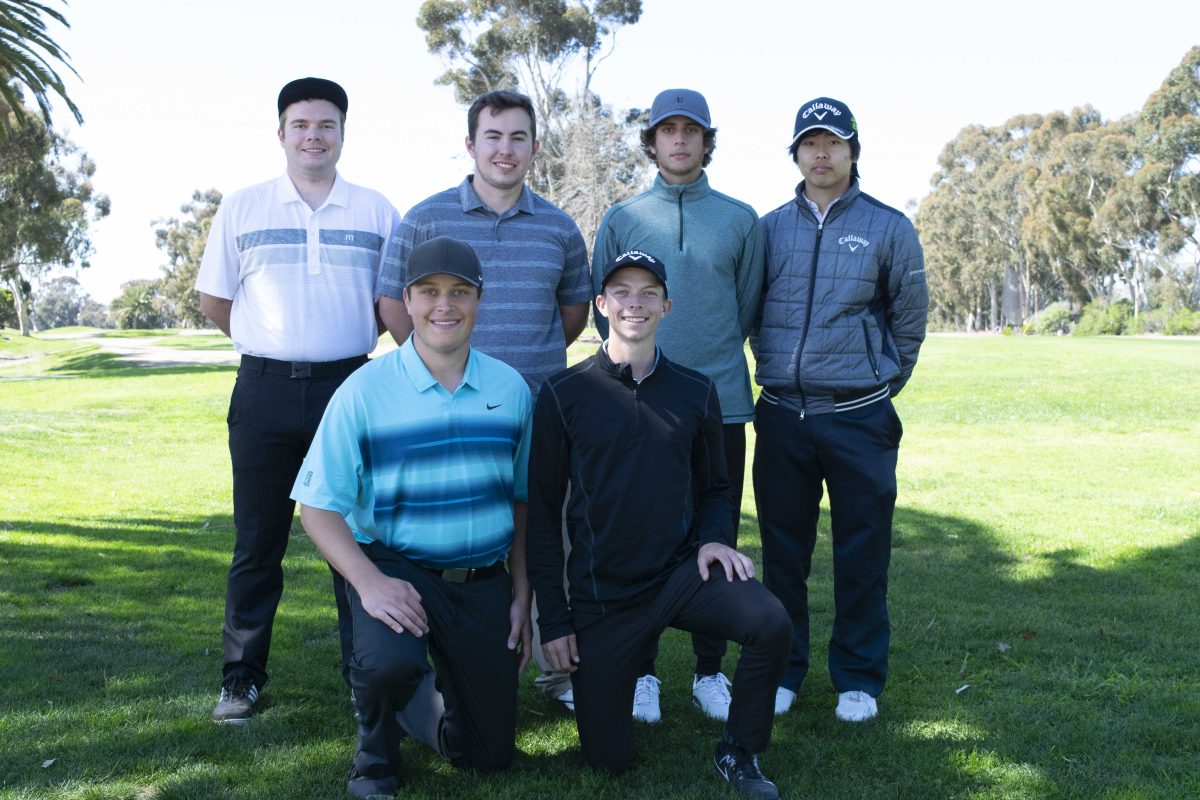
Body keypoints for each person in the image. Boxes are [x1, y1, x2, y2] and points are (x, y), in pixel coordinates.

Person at [528, 250, 791, 799]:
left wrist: (715, 538)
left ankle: (738, 750)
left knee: (770, 622)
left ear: (666, 307)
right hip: (604, 597)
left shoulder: (695, 391)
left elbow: (716, 486)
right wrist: (554, 620)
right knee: (608, 761)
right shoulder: (563, 392)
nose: (635, 303)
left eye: (648, 292)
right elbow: (544, 510)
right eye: (622, 291)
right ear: (601, 305)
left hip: (680, 576)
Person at [292, 236, 533, 799]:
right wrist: (370, 584)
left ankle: (418, 698)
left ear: (479, 300)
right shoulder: (365, 390)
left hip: (480, 580)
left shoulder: (511, 388)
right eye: (429, 292)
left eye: (459, 292)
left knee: (487, 757)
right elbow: (317, 506)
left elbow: (523, 501)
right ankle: (374, 757)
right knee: (383, 664)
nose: (443, 305)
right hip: (398, 568)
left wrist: (523, 592)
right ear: (407, 299)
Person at [377, 88, 591, 711]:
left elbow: (571, 314)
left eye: (518, 137)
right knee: (455, 538)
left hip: (538, 415)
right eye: (493, 137)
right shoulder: (424, 217)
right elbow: (395, 304)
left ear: (534, 146)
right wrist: (442, 368)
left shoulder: (558, 227)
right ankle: (434, 664)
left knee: (551, 541)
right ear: (470, 144)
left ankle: (559, 671)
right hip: (450, 417)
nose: (506, 149)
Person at [196, 77, 401, 724]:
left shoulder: (375, 211)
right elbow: (215, 302)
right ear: (281, 132)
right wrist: (275, 349)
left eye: (326, 125)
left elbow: (389, 303)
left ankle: (363, 673)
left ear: (343, 132)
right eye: (301, 124)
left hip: (350, 389)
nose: (314, 135)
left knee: (357, 539)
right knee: (259, 543)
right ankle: (241, 677)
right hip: (262, 392)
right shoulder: (244, 206)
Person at [753, 97, 928, 723]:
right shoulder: (768, 228)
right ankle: (783, 669)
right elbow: (752, 312)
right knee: (783, 553)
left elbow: (908, 324)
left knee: (862, 551)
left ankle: (857, 676)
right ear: (795, 153)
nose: (821, 153)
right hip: (781, 414)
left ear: (854, 150)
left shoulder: (889, 226)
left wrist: (874, 385)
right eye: (809, 142)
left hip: (860, 417)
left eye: (834, 142)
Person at [592, 88, 764, 723]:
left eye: (692, 130)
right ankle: (641, 671)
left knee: (714, 531)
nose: (680, 140)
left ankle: (709, 670)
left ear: (707, 140)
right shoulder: (624, 216)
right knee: (640, 534)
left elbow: (746, 305)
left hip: (719, 400)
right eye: (668, 130)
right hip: (641, 400)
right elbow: (605, 300)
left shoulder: (742, 218)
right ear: (653, 141)